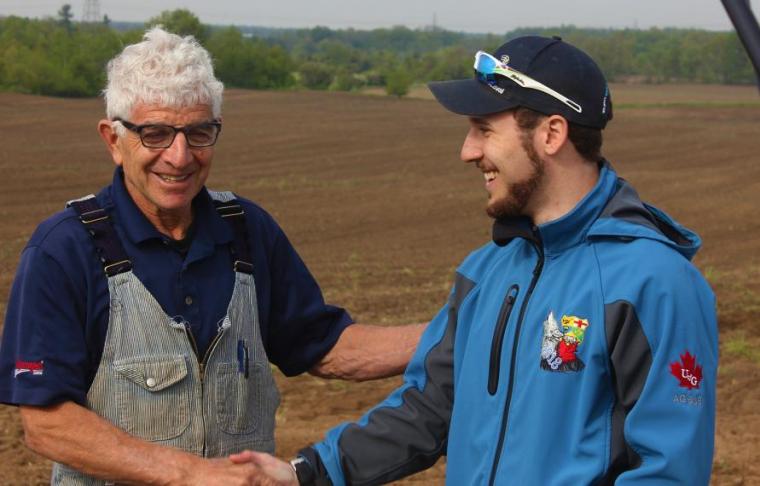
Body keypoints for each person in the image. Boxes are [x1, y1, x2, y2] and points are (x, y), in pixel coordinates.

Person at [239, 35, 718, 485]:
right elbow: (430, 409)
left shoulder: (653, 284)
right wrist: (307, 472)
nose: (468, 151)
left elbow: (668, 469)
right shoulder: (486, 272)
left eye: (484, 129)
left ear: (552, 134)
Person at [0, 27, 425, 485]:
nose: (180, 157)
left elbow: (327, 347)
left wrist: (457, 334)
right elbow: (47, 424)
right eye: (156, 134)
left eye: (199, 132)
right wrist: (190, 474)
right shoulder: (65, 249)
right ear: (112, 139)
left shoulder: (247, 230)